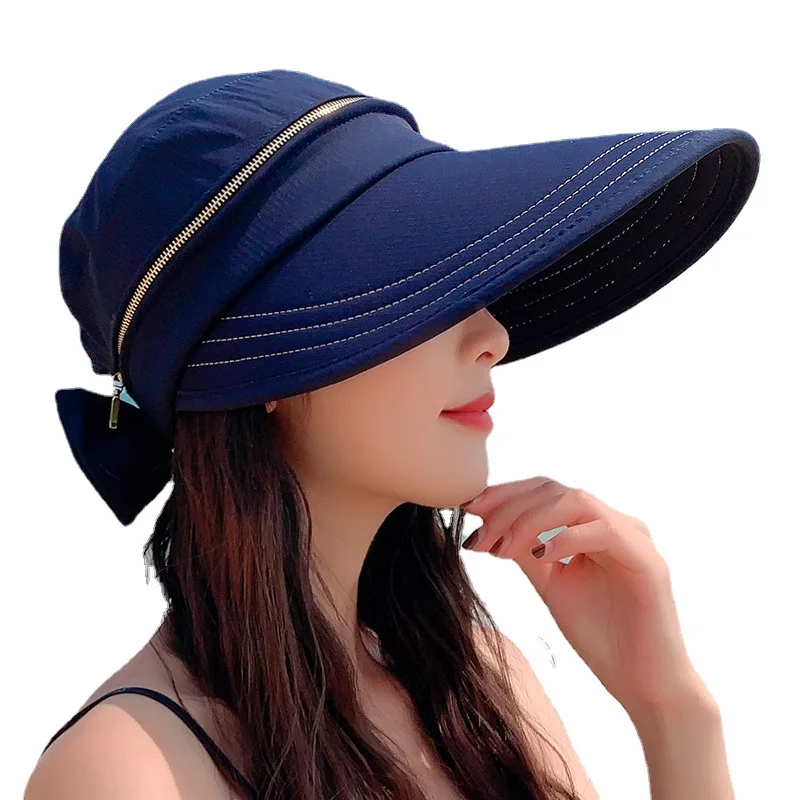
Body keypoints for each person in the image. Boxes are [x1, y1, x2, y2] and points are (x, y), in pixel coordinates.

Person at [26, 68, 759, 799]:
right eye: (417, 289)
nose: (494, 337)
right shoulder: (130, 772)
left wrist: (672, 710)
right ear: (261, 365)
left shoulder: (481, 683)